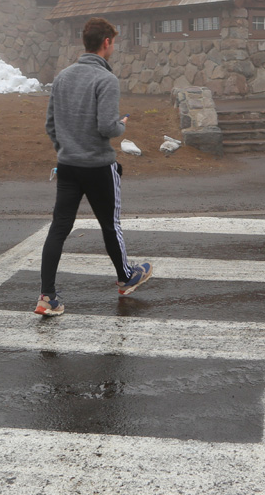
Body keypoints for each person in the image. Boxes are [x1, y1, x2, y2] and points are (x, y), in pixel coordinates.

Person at [37, 17, 153, 316]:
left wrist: (65, 149)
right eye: (113, 42)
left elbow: (50, 124)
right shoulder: (106, 79)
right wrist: (121, 125)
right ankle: (125, 277)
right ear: (106, 43)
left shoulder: (62, 77)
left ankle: (47, 296)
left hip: (67, 165)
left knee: (59, 228)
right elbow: (107, 128)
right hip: (99, 167)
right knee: (110, 225)